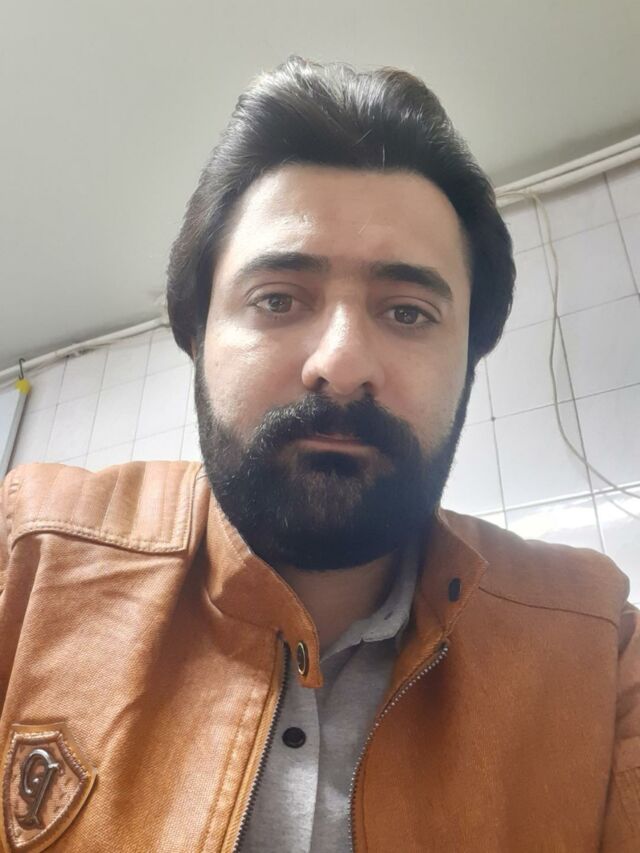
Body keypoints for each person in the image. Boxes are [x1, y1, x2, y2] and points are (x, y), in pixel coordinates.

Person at [0, 56, 638, 853]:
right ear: (197, 334)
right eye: (277, 299)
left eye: (407, 311)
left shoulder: (598, 649)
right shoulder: (27, 561)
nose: (341, 362)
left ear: (469, 359)